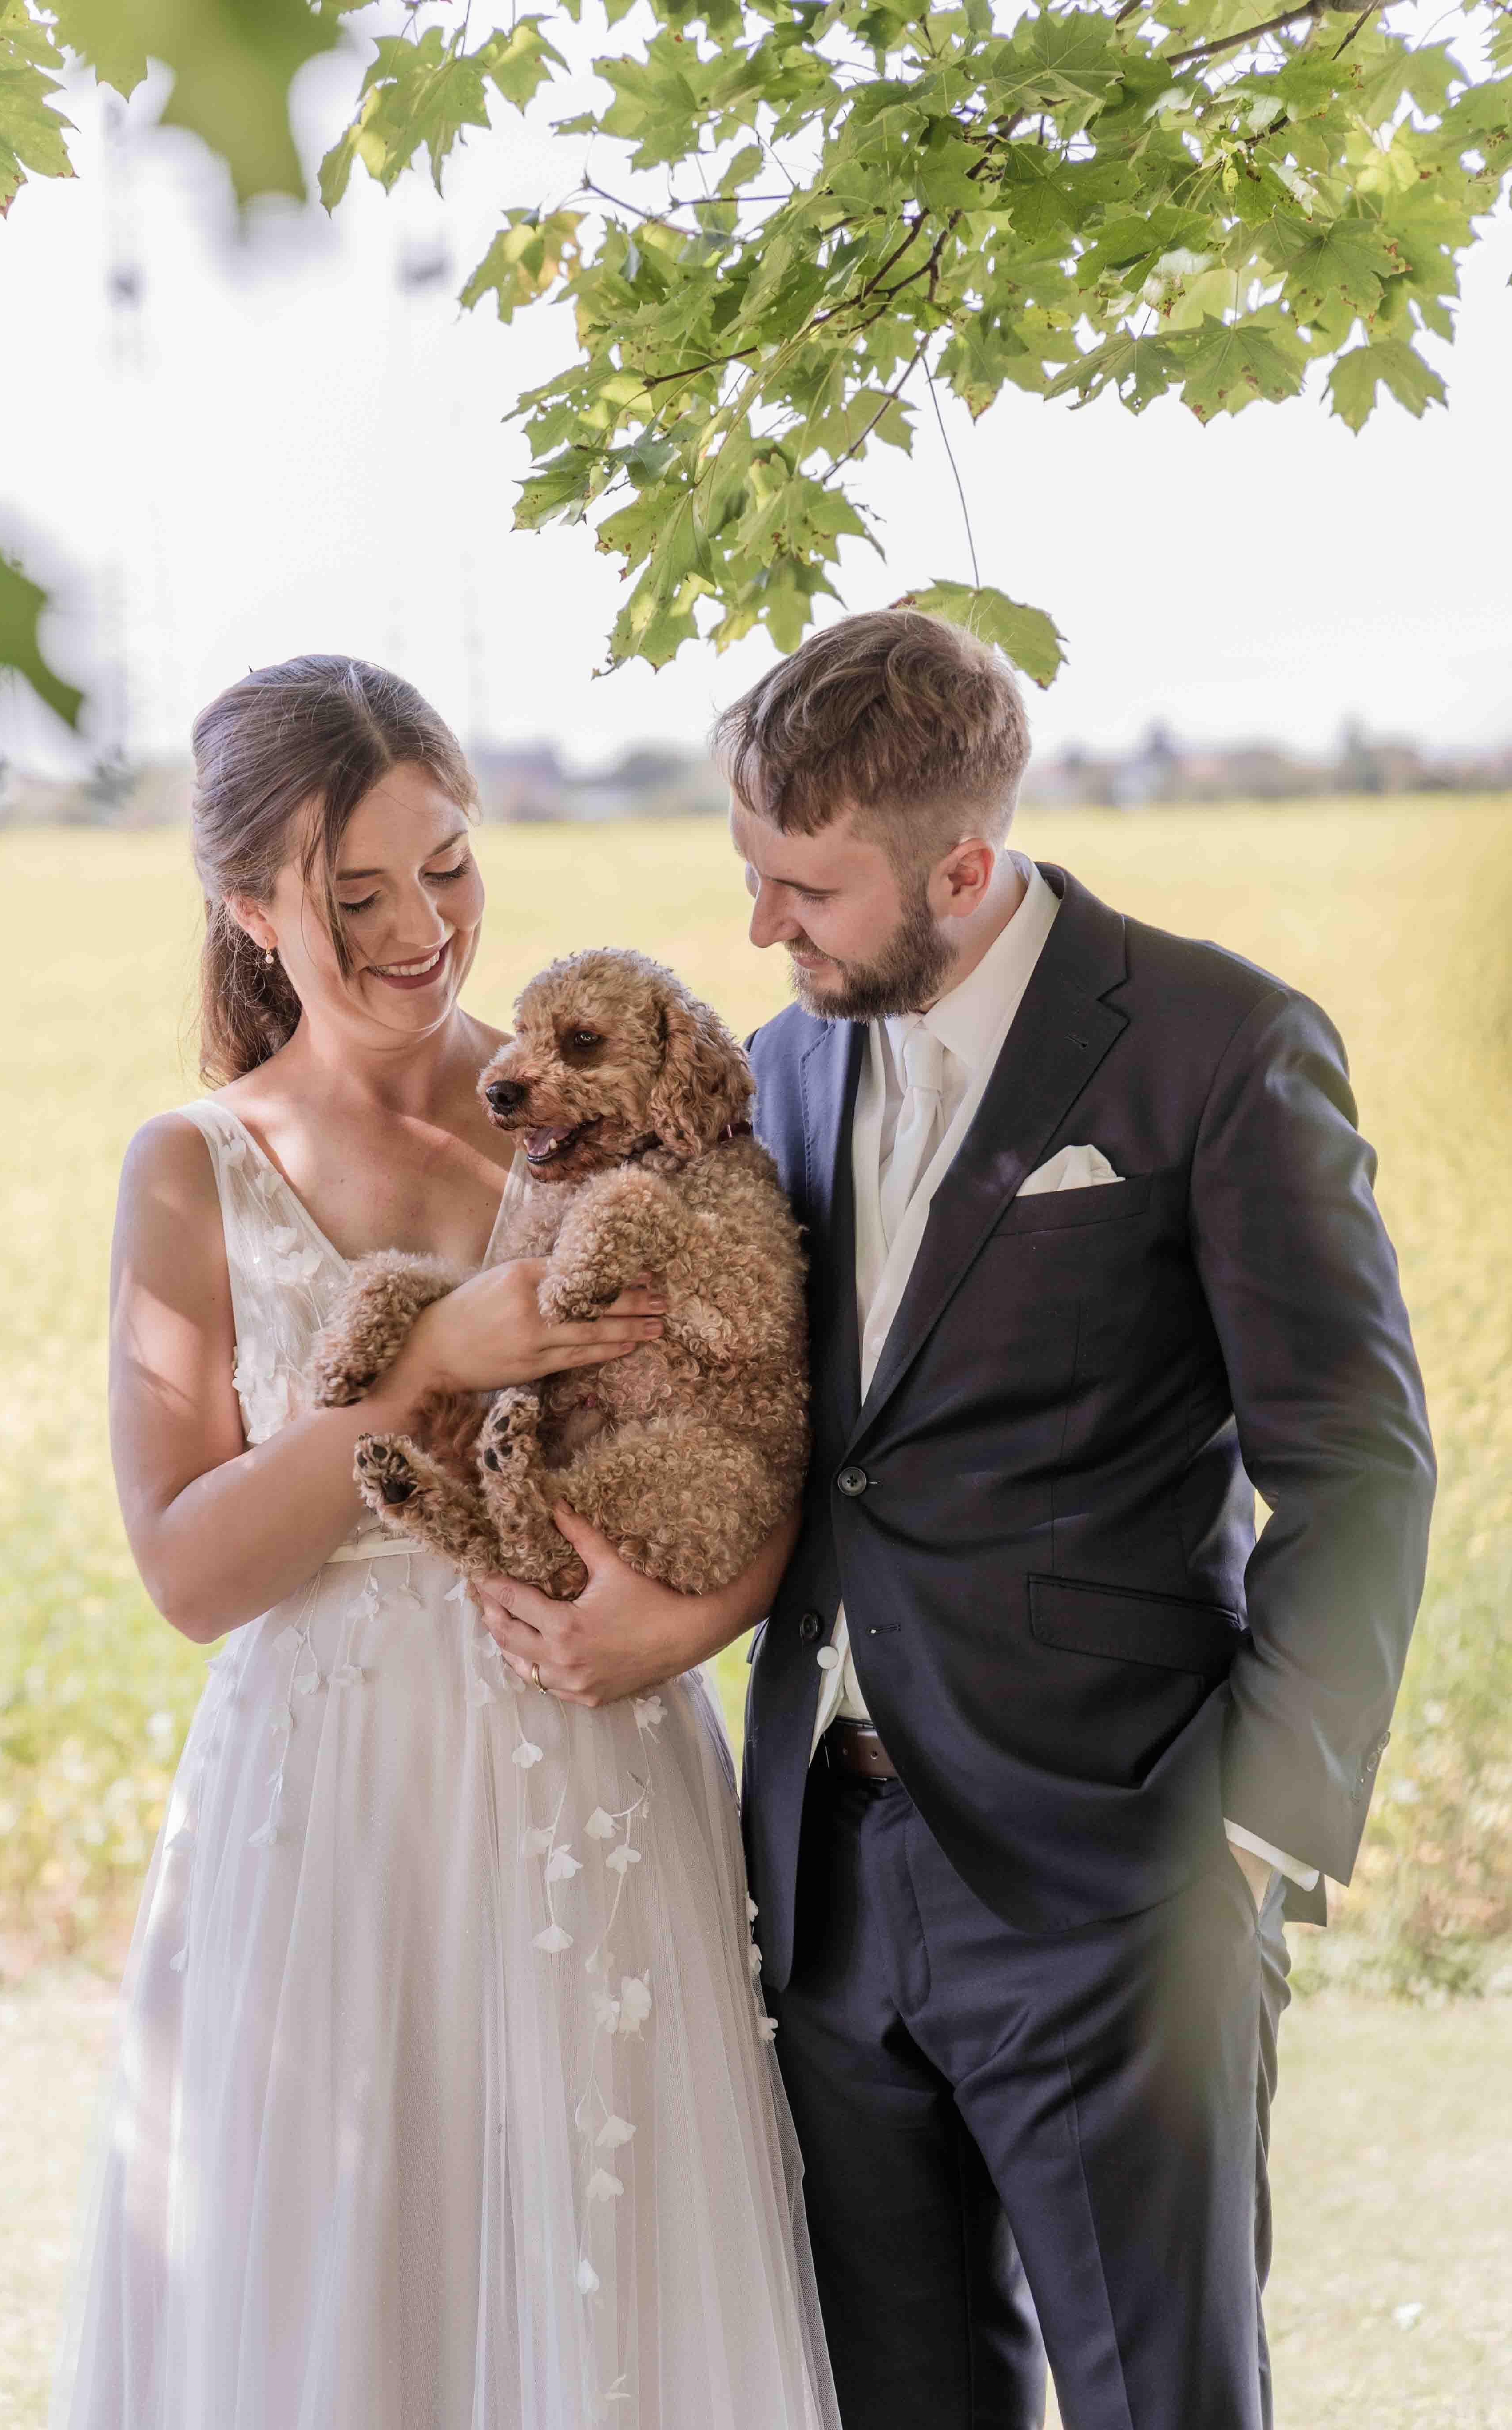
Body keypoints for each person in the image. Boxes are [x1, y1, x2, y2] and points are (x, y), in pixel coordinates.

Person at [484, 610, 1435, 2430]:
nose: (763, 925)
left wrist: (1250, 1846)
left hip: (1119, 1886)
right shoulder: (778, 1064)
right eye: (749, 873)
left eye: (807, 888)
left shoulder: (1217, 1050)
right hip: (825, 1894)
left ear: (967, 865)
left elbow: (1358, 1464)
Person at [53, 655, 840, 2430]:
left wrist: (686, 1618)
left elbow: (762, 1436)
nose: (426, 928)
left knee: (601, 2286)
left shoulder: (607, 1109)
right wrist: (425, 1370)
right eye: (357, 898)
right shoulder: (191, 1170)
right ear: (251, 910)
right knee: (351, 2295)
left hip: (595, 1774)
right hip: (333, 1818)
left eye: (451, 864)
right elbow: (188, 1574)